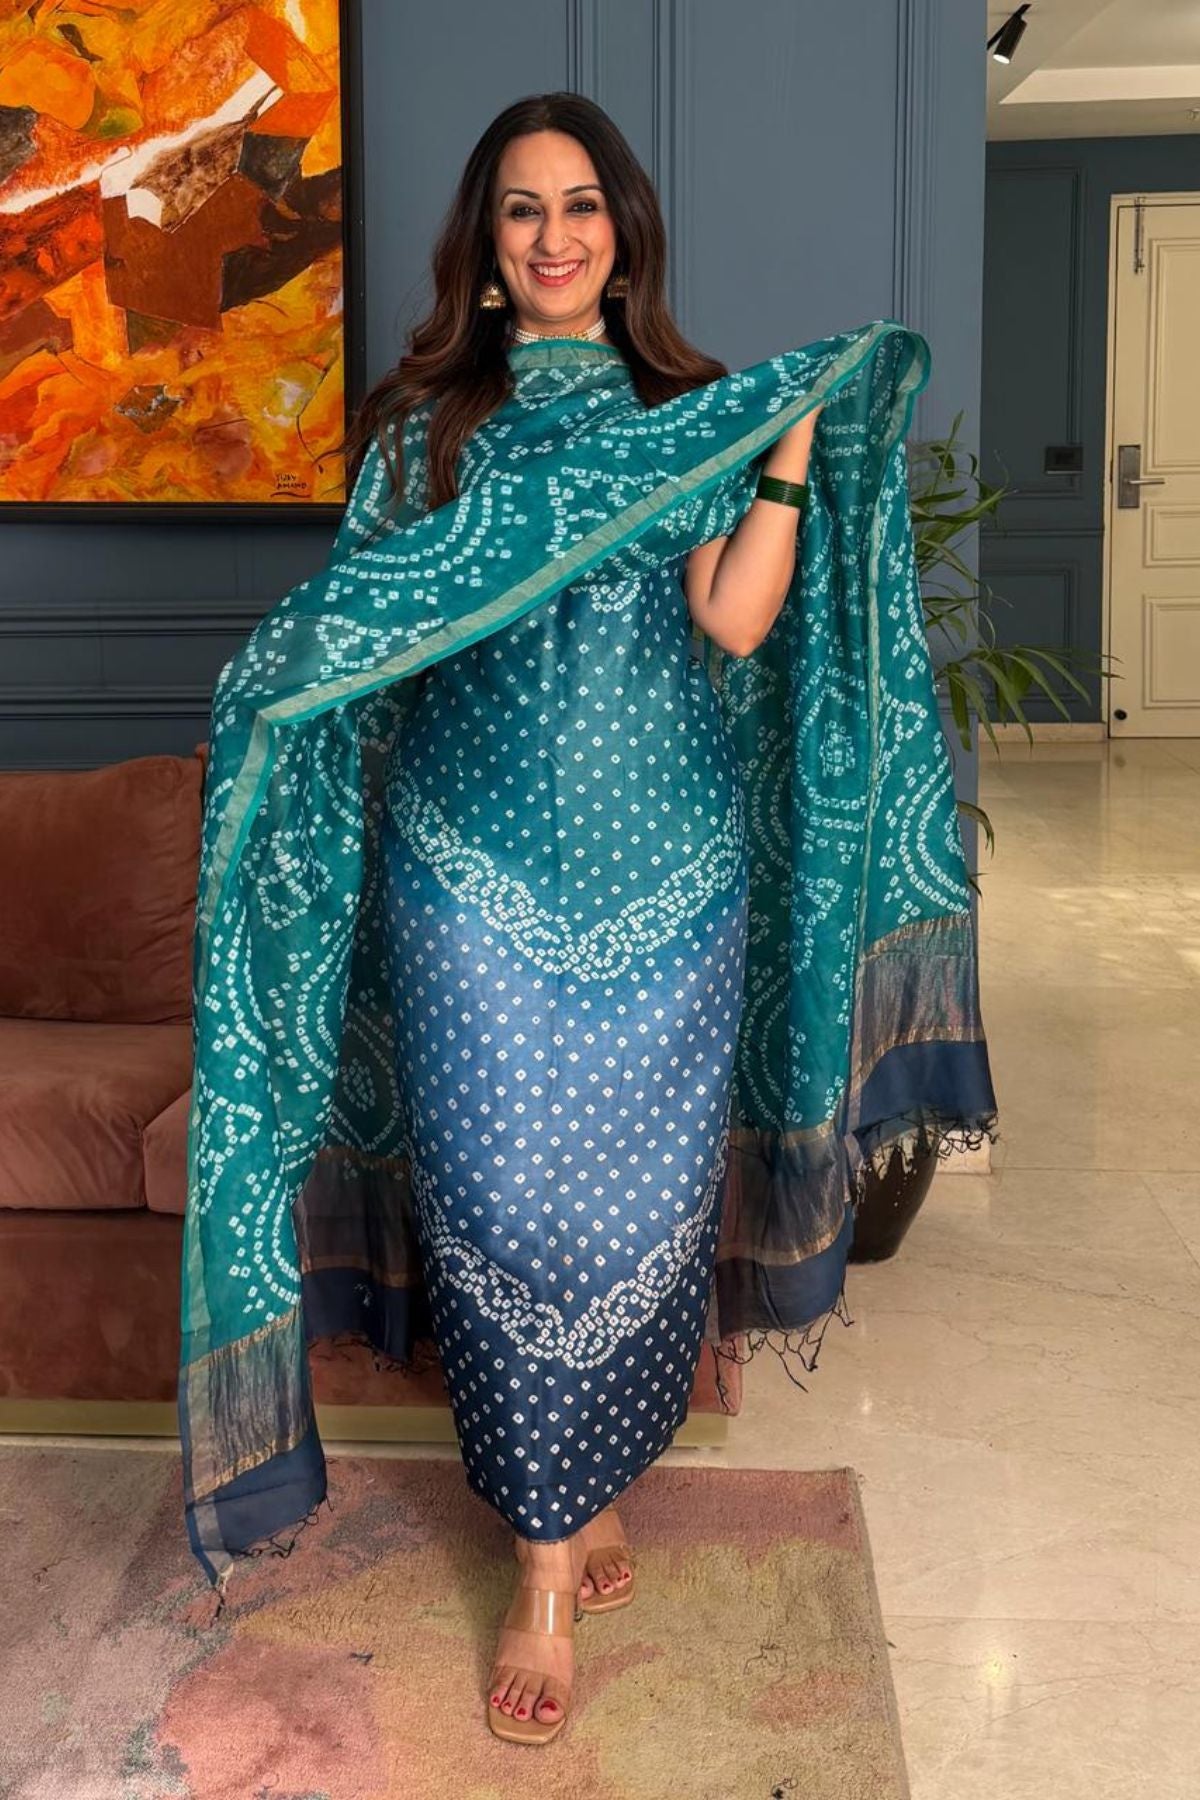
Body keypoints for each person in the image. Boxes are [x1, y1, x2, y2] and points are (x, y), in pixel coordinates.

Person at [177, 91, 996, 1751]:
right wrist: (268, 702)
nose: (554, 237)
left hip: (672, 893)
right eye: (521, 211)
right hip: (465, 887)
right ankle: (543, 1559)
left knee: (634, 1231)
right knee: (502, 1218)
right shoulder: (424, 436)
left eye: (580, 207)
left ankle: (587, 1479)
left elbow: (734, 624)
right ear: (485, 254)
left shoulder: (686, 417)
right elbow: (357, 642)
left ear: (622, 238)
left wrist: (781, 449)